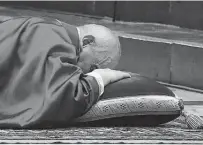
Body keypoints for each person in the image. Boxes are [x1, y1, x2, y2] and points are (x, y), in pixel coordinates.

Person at [0, 16, 130, 128]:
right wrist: (100, 78)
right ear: (86, 42)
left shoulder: (50, 29)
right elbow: (58, 97)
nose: (86, 73)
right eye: (92, 68)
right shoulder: (58, 40)